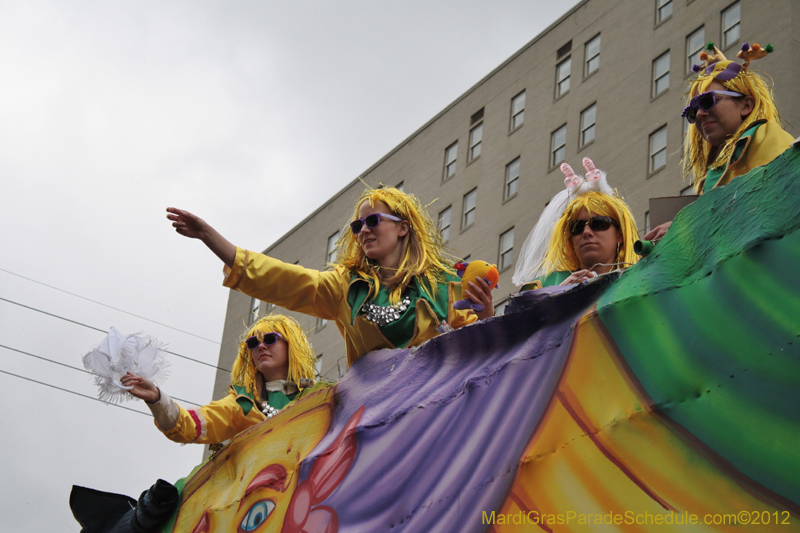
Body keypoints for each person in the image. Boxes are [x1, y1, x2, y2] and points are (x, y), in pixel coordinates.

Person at [167, 187, 494, 367]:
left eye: (373, 221)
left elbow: (479, 351)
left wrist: (487, 314)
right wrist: (210, 237)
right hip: (380, 419)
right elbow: (283, 279)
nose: (363, 230)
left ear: (403, 227)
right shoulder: (346, 286)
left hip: (439, 410)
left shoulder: (446, 284)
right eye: (357, 226)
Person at [645, 41, 795, 242]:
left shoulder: (765, 134)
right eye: (692, 111)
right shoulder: (714, 170)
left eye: (708, 101)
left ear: (746, 105)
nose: (699, 113)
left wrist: (689, 226)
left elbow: (775, 199)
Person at [121, 314, 319, 445]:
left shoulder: (319, 396)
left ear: (291, 345)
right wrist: (156, 399)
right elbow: (189, 425)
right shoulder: (242, 403)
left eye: (269, 339)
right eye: (252, 343)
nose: (261, 347)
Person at [523, 191, 640, 289]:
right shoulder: (543, 285)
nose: (586, 232)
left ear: (619, 234)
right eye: (577, 227)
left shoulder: (639, 282)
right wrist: (559, 297)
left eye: (598, 223)